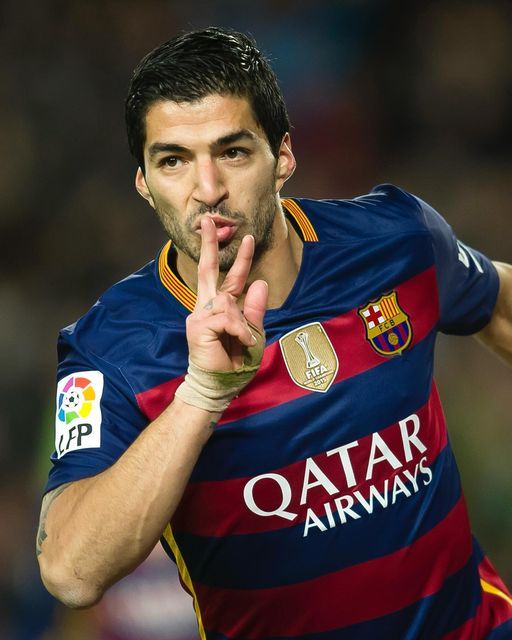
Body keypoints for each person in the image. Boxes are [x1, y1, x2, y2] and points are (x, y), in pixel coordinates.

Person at [36, 27, 512, 639]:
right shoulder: (112, 350)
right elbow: (71, 572)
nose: (207, 191)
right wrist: (201, 395)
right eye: (174, 160)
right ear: (143, 182)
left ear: (283, 155)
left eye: (232, 152)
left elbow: (497, 303)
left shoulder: (396, 240)